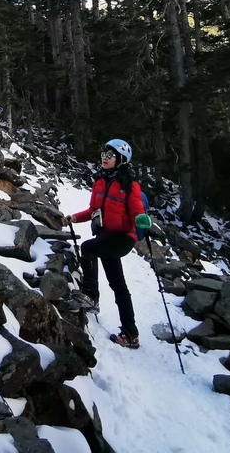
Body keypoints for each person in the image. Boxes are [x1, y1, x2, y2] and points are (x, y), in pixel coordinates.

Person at [63, 138, 146, 349]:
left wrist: (141, 220)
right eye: (104, 153)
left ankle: (91, 295)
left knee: (88, 248)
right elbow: (93, 211)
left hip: (124, 237)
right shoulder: (99, 182)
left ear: (121, 159)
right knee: (118, 285)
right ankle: (131, 334)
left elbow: (137, 211)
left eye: (110, 155)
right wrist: (74, 217)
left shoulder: (130, 185)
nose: (104, 157)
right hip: (106, 236)